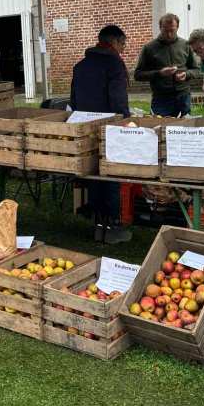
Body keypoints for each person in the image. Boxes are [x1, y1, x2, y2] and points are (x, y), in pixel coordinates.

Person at [70, 25, 131, 244]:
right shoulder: (114, 64)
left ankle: (97, 225)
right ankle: (113, 226)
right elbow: (118, 99)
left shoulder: (80, 66)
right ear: (114, 42)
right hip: (109, 127)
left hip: (85, 128)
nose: (123, 49)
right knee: (111, 174)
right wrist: (126, 120)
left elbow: (74, 101)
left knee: (93, 173)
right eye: (122, 44)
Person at [134, 13, 197, 117]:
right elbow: (138, 75)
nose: (169, 34)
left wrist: (186, 75)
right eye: (165, 30)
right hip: (161, 99)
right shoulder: (149, 48)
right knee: (159, 129)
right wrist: (159, 73)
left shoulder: (186, 45)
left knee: (184, 130)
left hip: (183, 97)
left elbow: (195, 69)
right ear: (160, 28)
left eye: (172, 30)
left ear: (177, 28)